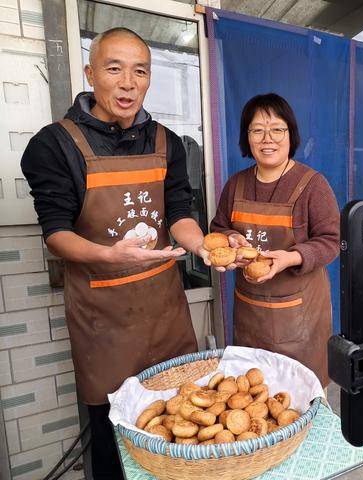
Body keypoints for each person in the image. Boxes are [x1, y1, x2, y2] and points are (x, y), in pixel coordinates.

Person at [21, 28, 210, 479]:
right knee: (112, 439)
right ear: (90, 74)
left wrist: (202, 245)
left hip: (164, 310)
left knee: (178, 426)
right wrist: (112, 256)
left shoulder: (167, 142)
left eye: (140, 71)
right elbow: (56, 234)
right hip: (102, 321)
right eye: (114, 68)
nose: (128, 82)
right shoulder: (54, 144)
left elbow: (178, 214)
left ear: (149, 80)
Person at [211, 93, 339, 388]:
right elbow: (219, 226)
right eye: (257, 130)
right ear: (247, 137)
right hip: (250, 311)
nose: (267, 138)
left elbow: (331, 241)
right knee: (252, 393)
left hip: (299, 316)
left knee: (297, 397)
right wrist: (231, 240)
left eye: (277, 129)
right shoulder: (236, 184)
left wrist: (291, 257)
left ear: (290, 134)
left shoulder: (312, 185)